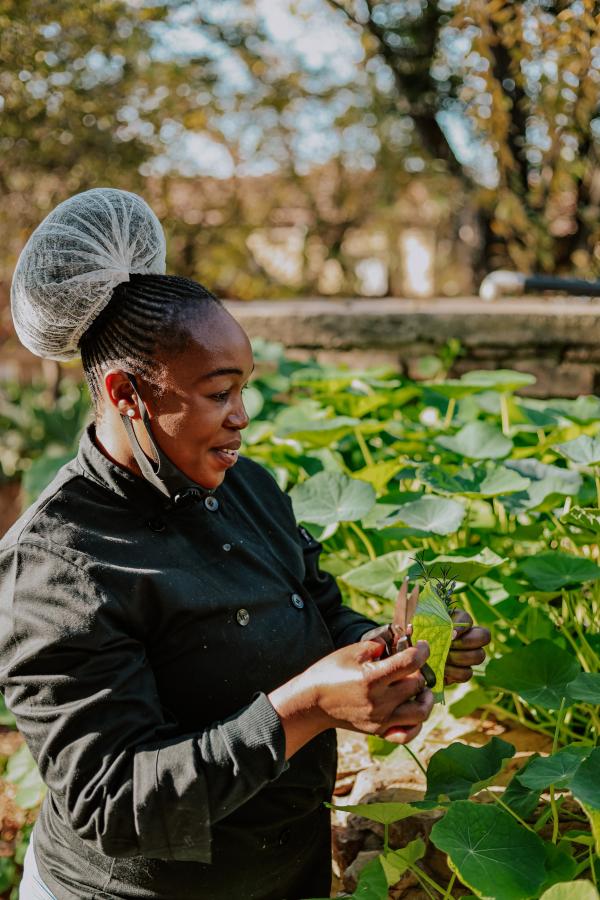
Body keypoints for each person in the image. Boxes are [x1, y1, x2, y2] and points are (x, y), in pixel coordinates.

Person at [0, 188, 490, 900]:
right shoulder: (57, 564)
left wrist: (391, 655)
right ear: (126, 392)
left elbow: (318, 611)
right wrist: (310, 709)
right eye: (218, 393)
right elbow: (112, 802)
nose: (242, 418)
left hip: (280, 875)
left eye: (244, 388)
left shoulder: (247, 486)